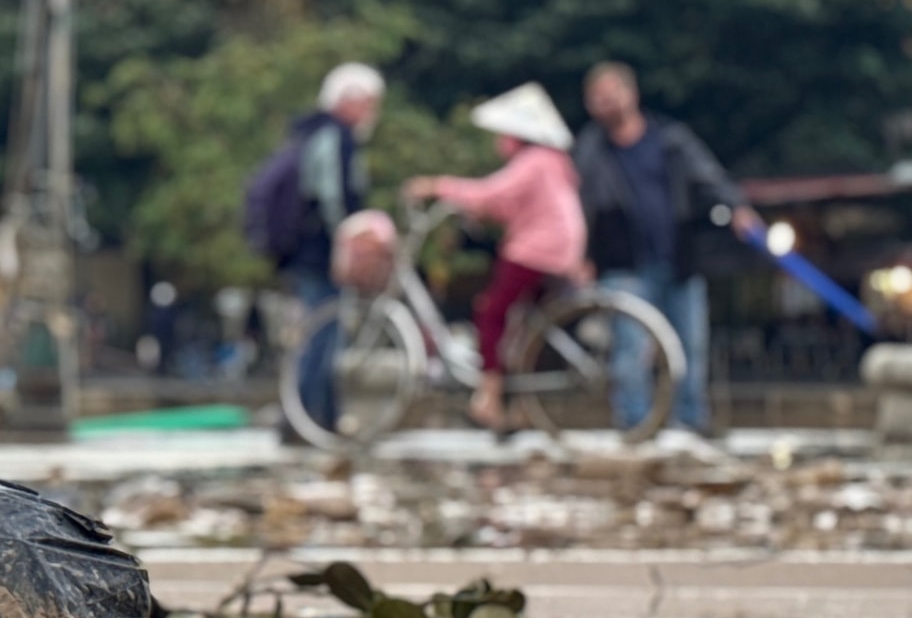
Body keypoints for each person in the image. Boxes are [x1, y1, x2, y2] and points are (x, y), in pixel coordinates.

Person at [576, 62, 761, 435]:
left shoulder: (671, 141)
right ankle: (636, 424)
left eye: (613, 94)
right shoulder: (589, 152)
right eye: (599, 97)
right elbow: (578, 206)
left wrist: (738, 208)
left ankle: (691, 422)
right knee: (630, 347)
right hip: (621, 262)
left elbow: (708, 176)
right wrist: (581, 254)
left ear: (632, 93)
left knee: (690, 343)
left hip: (679, 258)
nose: (607, 103)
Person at [406, 83, 586, 432]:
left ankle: (488, 396)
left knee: (490, 312)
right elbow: (508, 205)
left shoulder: (534, 161)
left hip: (538, 249)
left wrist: (438, 186)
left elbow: (491, 193)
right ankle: (520, 406)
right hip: (562, 249)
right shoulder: (553, 162)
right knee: (523, 328)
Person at [282, 62, 385, 433]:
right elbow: (331, 195)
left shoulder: (313, 133)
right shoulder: (333, 135)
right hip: (320, 252)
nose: (373, 111)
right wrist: (351, 234)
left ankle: (317, 417)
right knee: (323, 334)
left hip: (312, 250)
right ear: (349, 100)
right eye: (369, 102)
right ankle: (308, 420)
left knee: (325, 332)